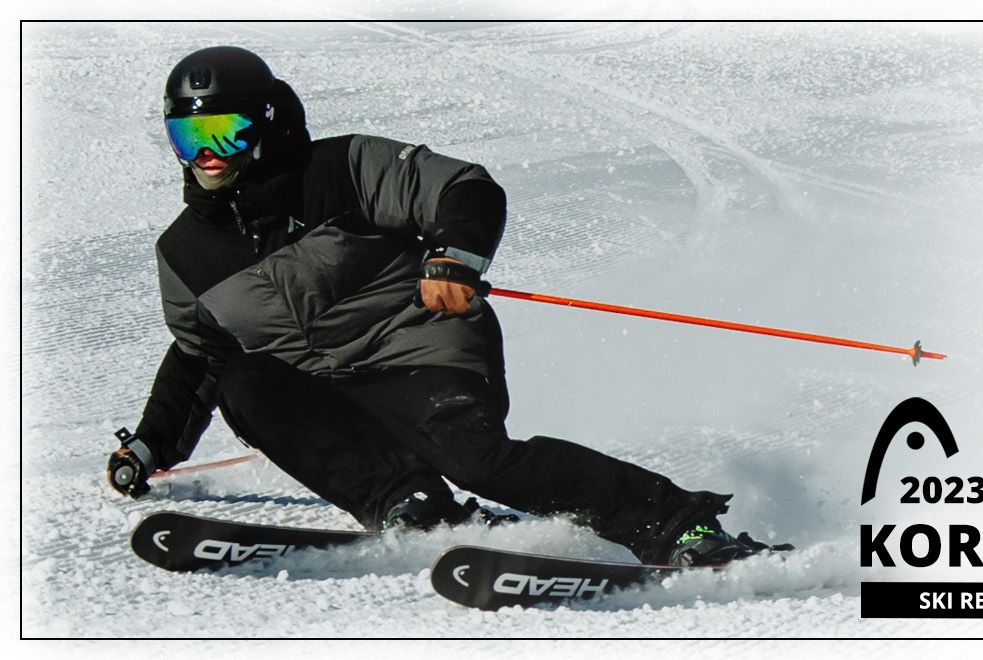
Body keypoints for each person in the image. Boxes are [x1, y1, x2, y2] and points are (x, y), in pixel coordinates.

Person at [105, 45, 780, 567]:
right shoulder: (187, 251)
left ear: (268, 125)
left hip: (420, 350)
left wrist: (455, 258)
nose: (207, 155)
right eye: (189, 138)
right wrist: (151, 442)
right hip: (328, 391)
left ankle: (674, 523)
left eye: (224, 133)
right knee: (244, 382)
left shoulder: (341, 169)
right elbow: (200, 356)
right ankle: (408, 503)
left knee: (478, 461)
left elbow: (462, 188)